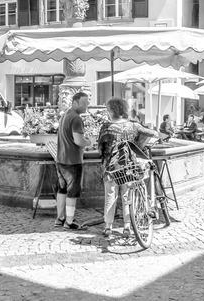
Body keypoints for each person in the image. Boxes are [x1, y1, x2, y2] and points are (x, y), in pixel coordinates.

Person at [98, 97, 157, 238]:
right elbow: (154, 134)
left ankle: (108, 227)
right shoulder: (134, 125)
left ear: (111, 111)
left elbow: (100, 148)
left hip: (111, 168)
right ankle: (127, 226)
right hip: (129, 167)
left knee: (110, 196)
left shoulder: (106, 127)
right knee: (127, 196)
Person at [55, 91, 89, 230]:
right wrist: (89, 142)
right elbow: (78, 141)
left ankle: (60, 218)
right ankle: (69, 222)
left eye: (87, 103)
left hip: (61, 159)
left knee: (62, 190)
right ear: (75, 102)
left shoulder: (65, 115)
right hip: (72, 161)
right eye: (84, 103)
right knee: (72, 192)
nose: (86, 106)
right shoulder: (76, 118)